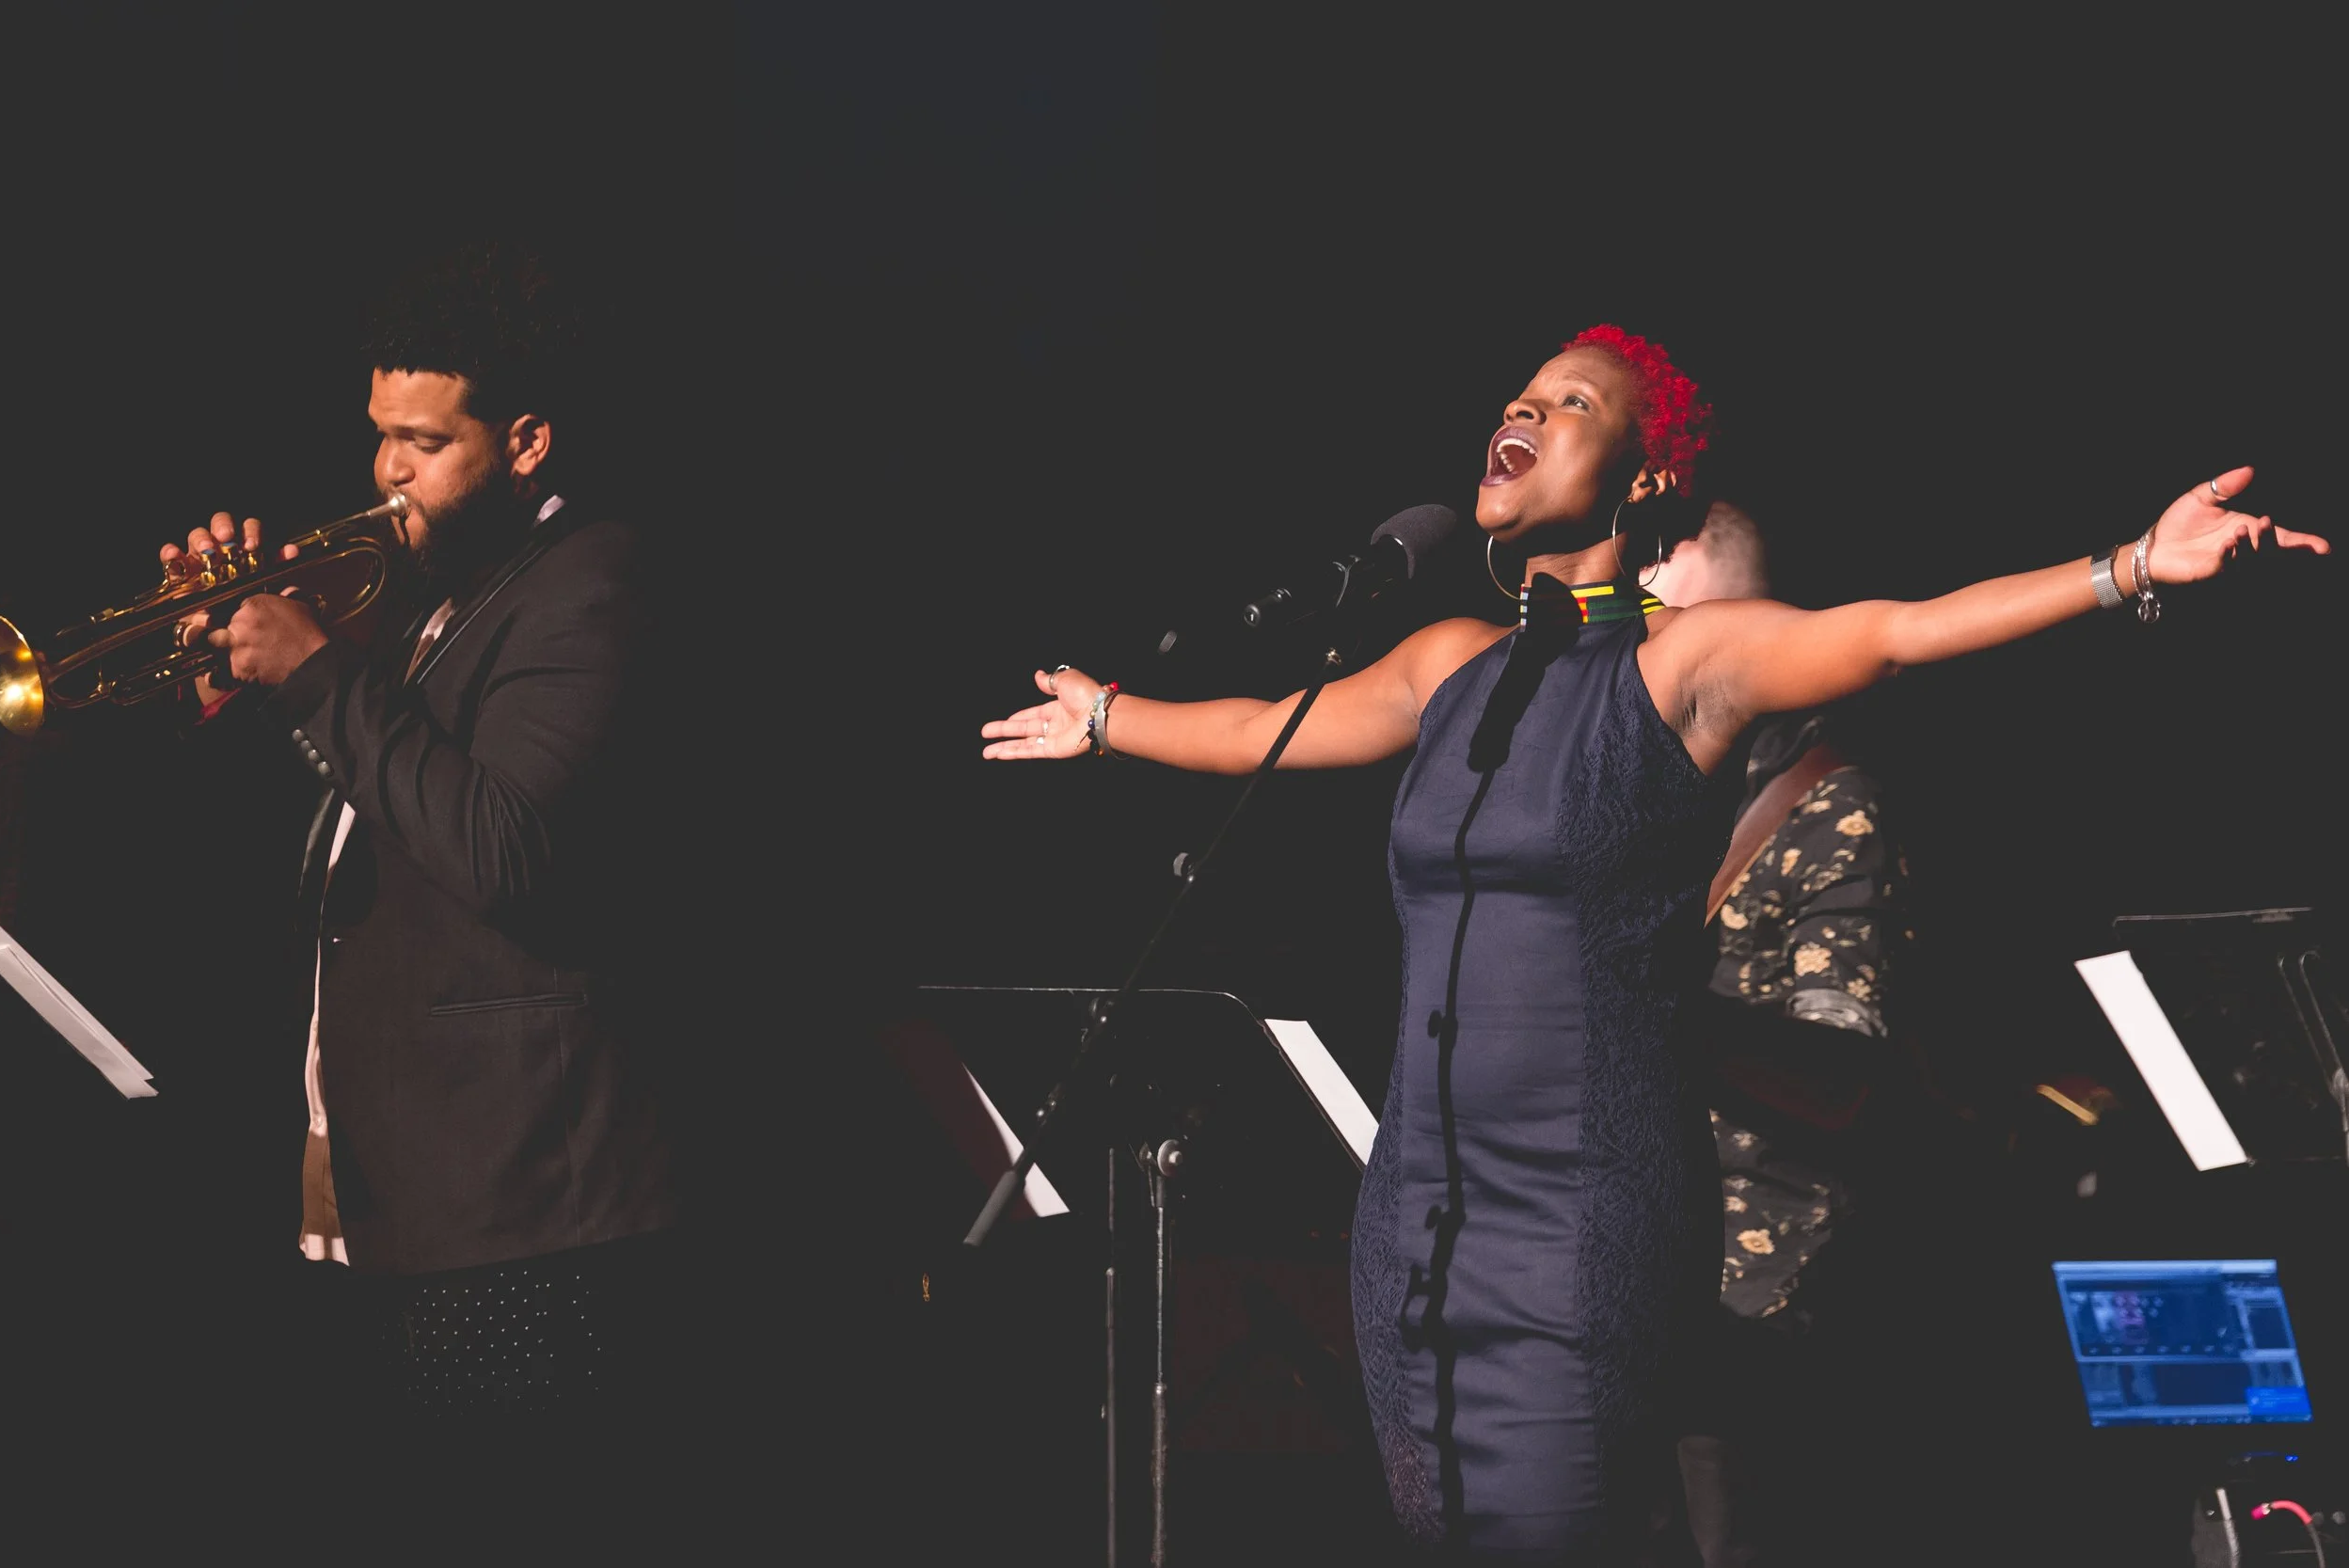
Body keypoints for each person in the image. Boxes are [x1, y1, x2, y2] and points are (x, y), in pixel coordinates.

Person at [981, 322, 2328, 1560]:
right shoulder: (1446, 661)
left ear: (1645, 478)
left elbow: (1896, 632)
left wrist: (2130, 565)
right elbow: (1259, 727)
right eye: (1520, 393)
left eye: (1571, 401)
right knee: (1438, 1527)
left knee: (1556, 1527)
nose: (1524, 409)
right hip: (1414, 1210)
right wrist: (1108, 718)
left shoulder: (1686, 660)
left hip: (1579, 1210)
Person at [167, 244, 683, 1481]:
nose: (388, 471)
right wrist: (232, 665)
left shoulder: (590, 584)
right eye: (381, 435)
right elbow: (372, 809)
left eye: (425, 440)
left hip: (519, 1209)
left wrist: (318, 671)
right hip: (397, 1179)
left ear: (527, 440)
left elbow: (500, 845)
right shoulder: (435, 588)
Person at [1645, 498, 1924, 1565]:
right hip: (1629, 1274)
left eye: (1674, 626)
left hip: (1751, 1300)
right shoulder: (1658, 796)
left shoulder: (1833, 804)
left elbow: (1841, 1076)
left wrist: (1651, 1011)